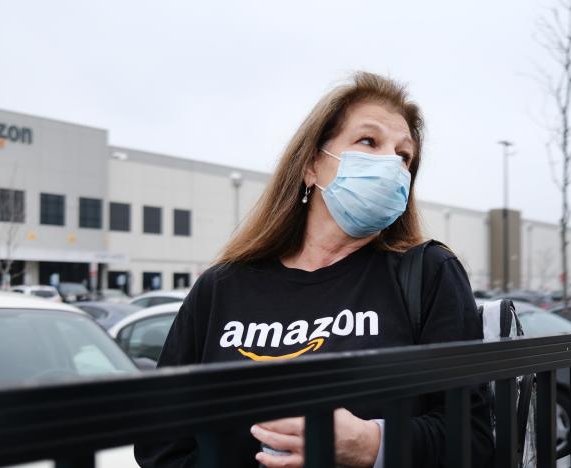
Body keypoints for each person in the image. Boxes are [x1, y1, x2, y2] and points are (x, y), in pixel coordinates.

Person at [135, 71, 495, 468]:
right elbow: (160, 444)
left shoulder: (429, 273)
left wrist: (372, 444)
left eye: (403, 155)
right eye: (368, 141)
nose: (391, 164)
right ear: (311, 164)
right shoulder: (222, 286)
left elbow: (473, 441)